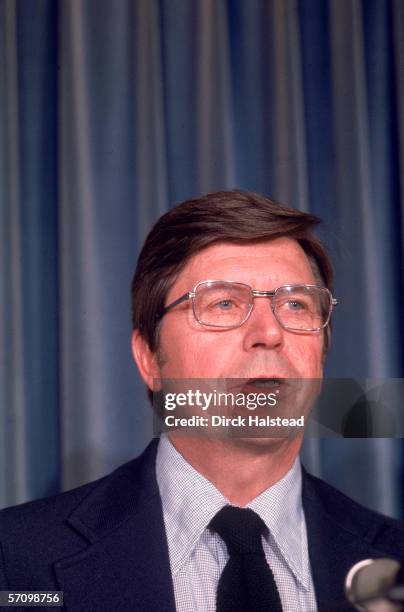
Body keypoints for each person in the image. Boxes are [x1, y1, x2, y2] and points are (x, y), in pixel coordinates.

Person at [0, 190, 403, 612]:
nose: (269, 333)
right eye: (224, 303)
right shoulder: (17, 561)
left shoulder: (393, 559)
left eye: (295, 304)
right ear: (150, 358)